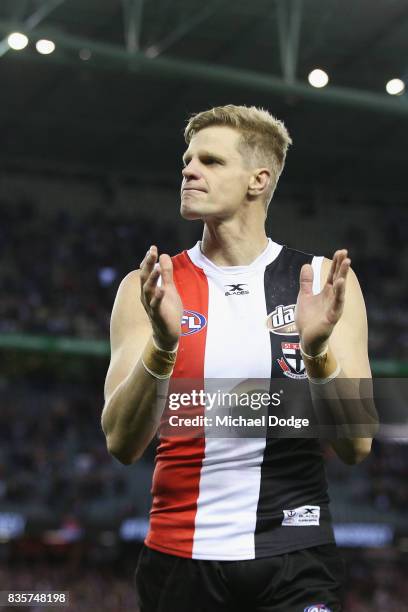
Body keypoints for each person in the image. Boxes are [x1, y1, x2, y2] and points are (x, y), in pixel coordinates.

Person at [101, 105, 374, 612]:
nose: (188, 170)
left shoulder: (322, 282)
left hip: (296, 558)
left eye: (210, 160)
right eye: (187, 159)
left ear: (258, 180)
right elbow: (121, 442)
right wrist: (163, 346)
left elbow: (356, 443)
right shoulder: (150, 288)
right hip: (179, 562)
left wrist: (315, 352)